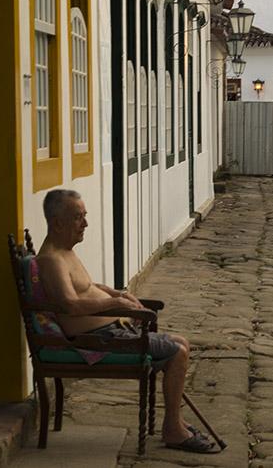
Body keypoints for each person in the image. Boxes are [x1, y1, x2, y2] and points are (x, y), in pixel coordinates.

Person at [37, 190, 217, 453]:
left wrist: (117, 294)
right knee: (177, 352)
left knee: (180, 343)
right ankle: (173, 430)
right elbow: (71, 305)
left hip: (108, 332)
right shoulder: (51, 259)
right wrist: (116, 305)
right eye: (78, 218)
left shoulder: (65, 251)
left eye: (85, 216)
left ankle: (175, 421)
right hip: (96, 341)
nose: (85, 224)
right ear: (57, 223)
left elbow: (86, 287)